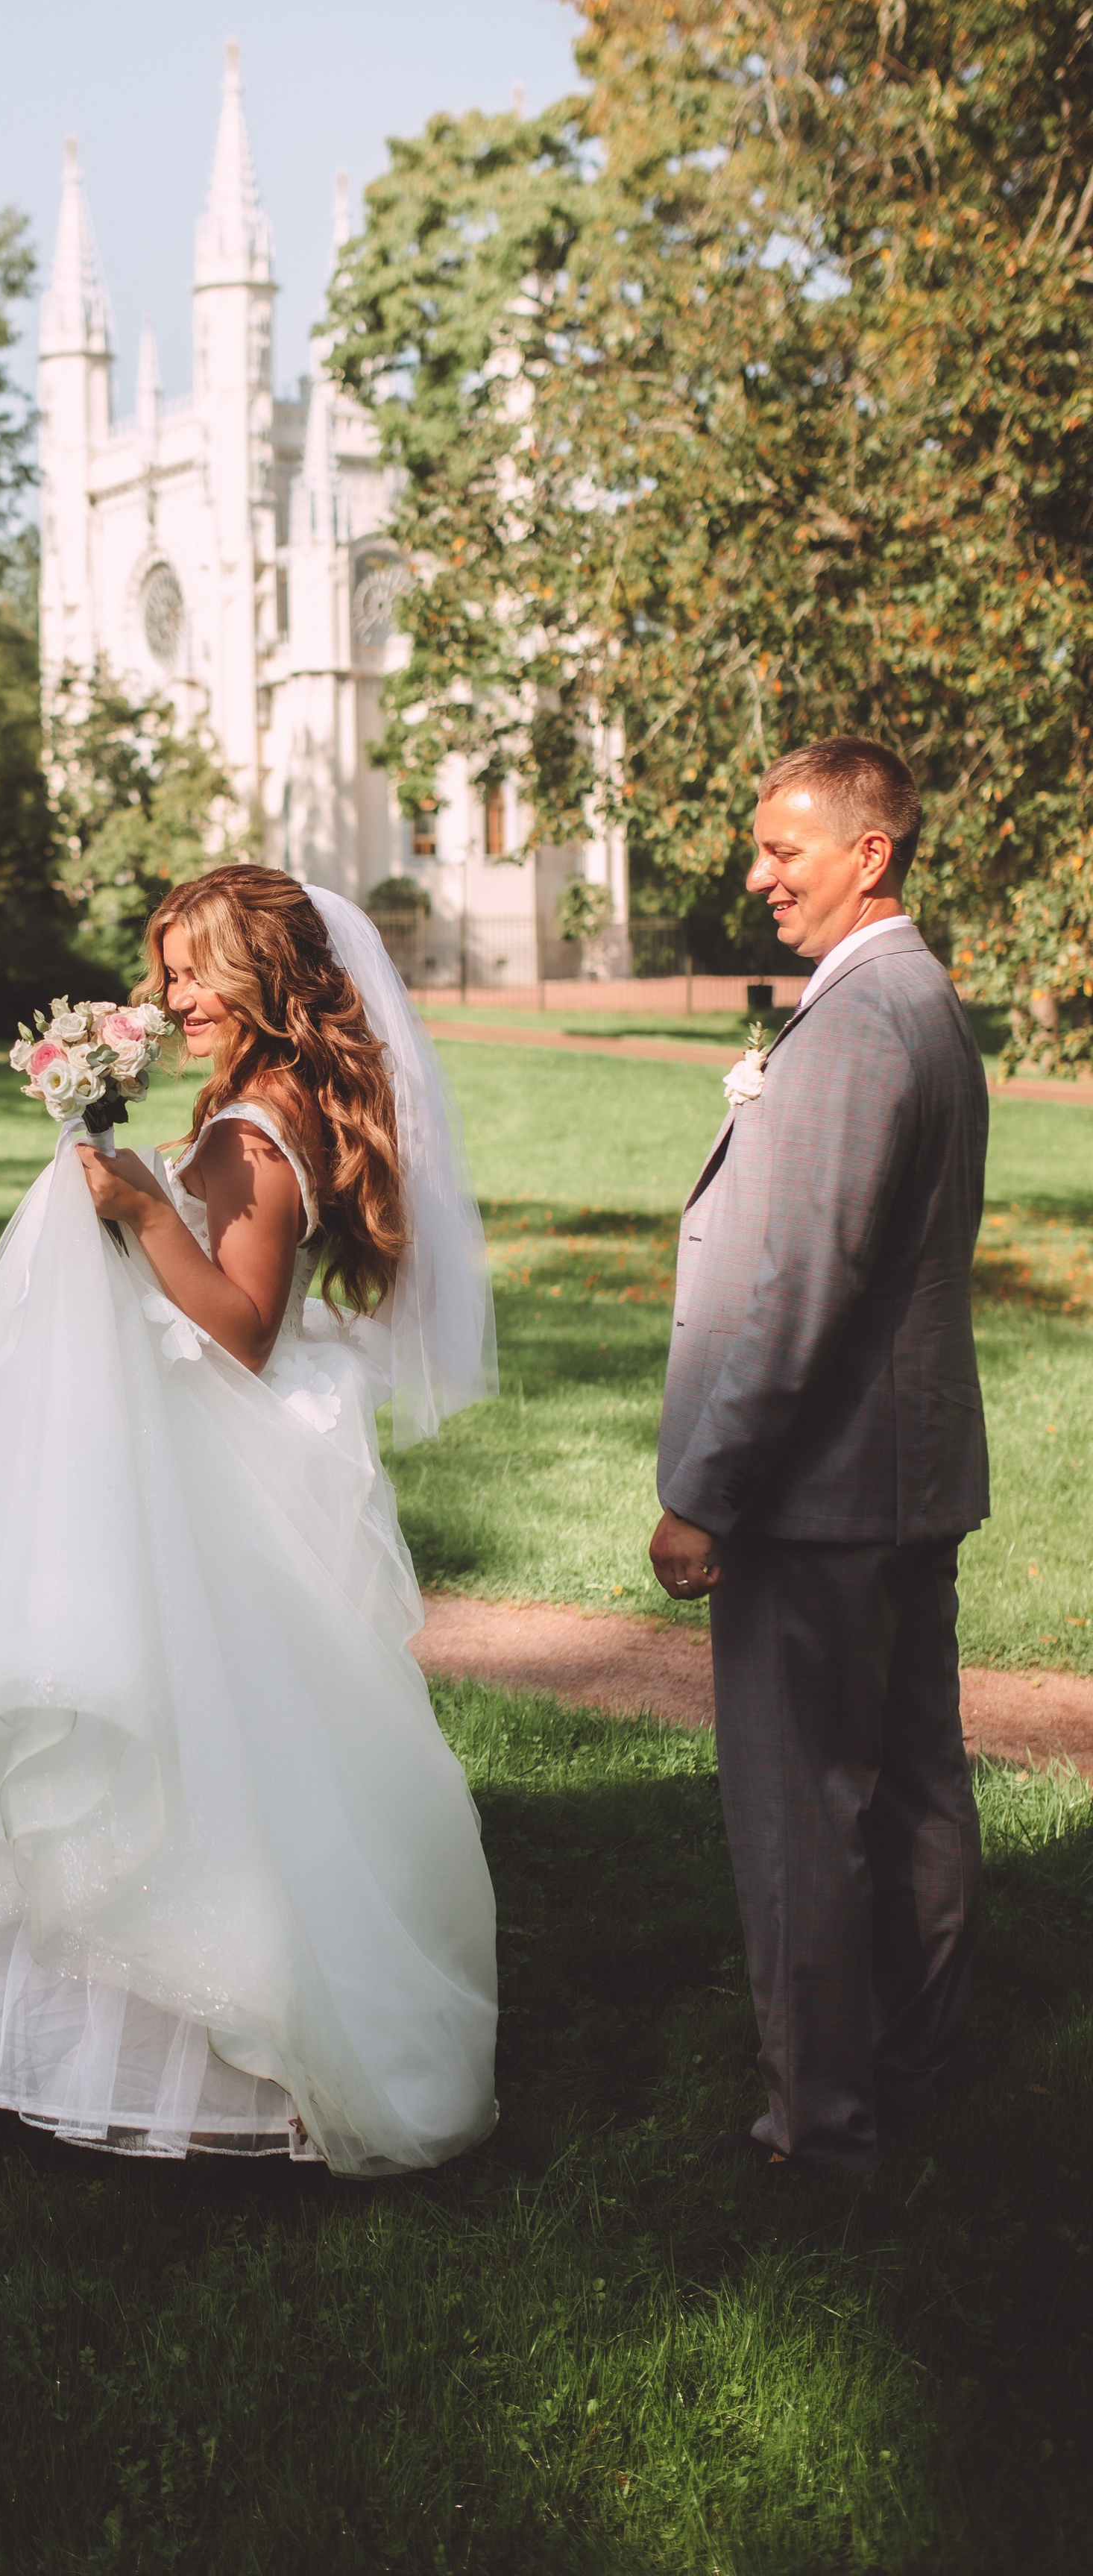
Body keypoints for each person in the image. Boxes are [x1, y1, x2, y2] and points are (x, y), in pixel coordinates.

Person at [0, 866, 500, 2176]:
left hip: (210, 1445)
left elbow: (245, 1334)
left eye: (198, 971)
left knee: (181, 1726)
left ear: (270, 977)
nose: (171, 999)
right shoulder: (260, 1106)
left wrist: (148, 1208)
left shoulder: (259, 1133)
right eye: (162, 973)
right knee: (201, 1718)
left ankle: (223, 2033)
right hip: (194, 1437)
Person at [650, 737, 989, 2178]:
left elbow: (800, 1293)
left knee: (805, 1814)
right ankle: (909, 2079)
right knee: (915, 1792)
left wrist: (703, 1492)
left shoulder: (859, 1023)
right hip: (901, 1482)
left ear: (872, 853)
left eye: (783, 850)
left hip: (821, 1494)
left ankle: (817, 2133)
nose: (757, 875)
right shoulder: (918, 998)